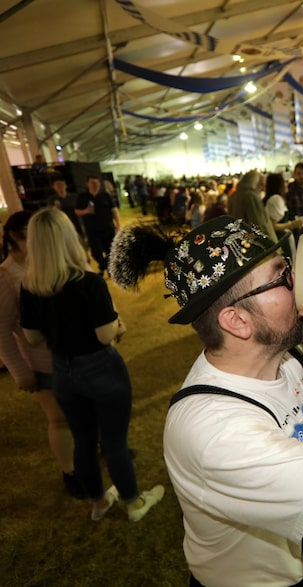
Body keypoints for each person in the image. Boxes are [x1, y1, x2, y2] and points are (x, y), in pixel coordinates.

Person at [108, 215, 303, 586]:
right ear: (237, 321)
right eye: (282, 277)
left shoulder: (284, 360)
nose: (302, 283)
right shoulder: (215, 431)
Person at [19, 208, 163, 522]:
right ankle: (133, 503)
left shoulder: (30, 286)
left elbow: (31, 338)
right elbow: (103, 334)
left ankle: (98, 502)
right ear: (70, 238)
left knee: (83, 440)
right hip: (100, 368)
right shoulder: (88, 282)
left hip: (62, 372)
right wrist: (119, 327)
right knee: (113, 441)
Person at [0, 211, 80, 498]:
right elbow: (3, 330)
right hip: (43, 364)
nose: (29, 242)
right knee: (58, 419)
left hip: (76, 356)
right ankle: (69, 472)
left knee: (84, 410)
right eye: (23, 236)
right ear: (12, 239)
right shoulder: (6, 275)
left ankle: (101, 450)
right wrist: (21, 372)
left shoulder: (48, 263)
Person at [75, 175, 120, 275]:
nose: (95, 185)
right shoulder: (83, 197)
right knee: (96, 253)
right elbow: (77, 211)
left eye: (97, 183)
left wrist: (118, 224)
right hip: (92, 230)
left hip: (108, 228)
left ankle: (107, 268)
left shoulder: (105, 195)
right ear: (87, 184)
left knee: (111, 251)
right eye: (92, 183)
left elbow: (114, 210)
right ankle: (104, 265)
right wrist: (86, 211)